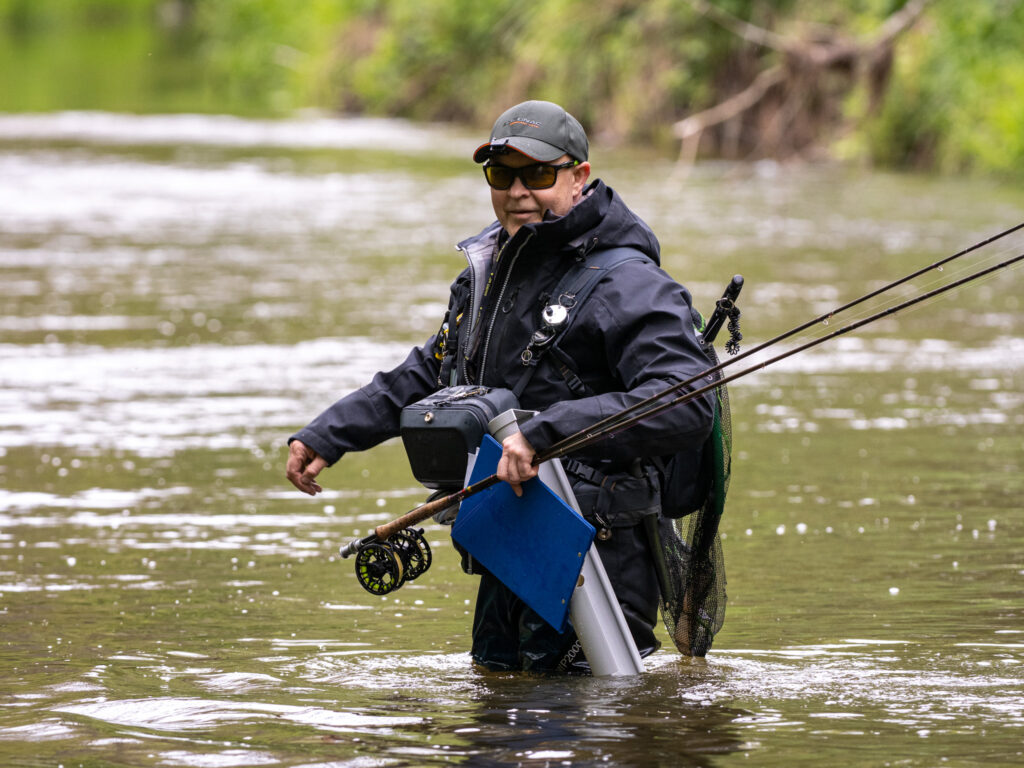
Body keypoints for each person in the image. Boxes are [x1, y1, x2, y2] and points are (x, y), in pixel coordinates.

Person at [286, 100, 715, 673]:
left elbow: (686, 404)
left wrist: (544, 433)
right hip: (510, 535)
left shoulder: (631, 283)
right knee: (497, 698)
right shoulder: (492, 271)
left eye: (537, 174)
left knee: (592, 716)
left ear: (579, 177)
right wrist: (328, 434)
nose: (517, 191)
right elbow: (433, 371)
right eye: (501, 174)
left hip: (600, 551)